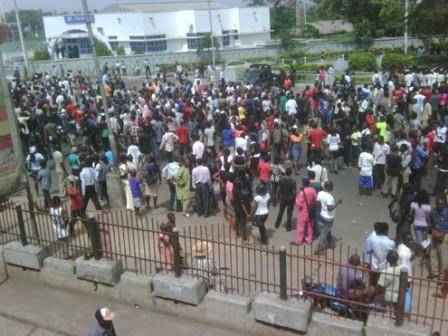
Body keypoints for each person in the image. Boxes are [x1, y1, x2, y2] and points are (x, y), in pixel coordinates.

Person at [314, 180, 342, 254]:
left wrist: (320, 211)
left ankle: (330, 243)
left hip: (322, 215)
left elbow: (317, 203)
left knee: (327, 229)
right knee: (324, 233)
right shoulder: (329, 197)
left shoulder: (320, 193)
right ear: (330, 187)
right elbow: (330, 208)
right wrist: (338, 202)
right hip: (328, 217)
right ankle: (318, 249)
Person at [292, 175, 317, 246]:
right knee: (309, 226)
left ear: (303, 182)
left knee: (300, 226)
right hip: (310, 211)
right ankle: (309, 240)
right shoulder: (312, 189)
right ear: (309, 182)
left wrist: (296, 198)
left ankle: (299, 241)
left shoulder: (302, 192)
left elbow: (299, 203)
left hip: (303, 211)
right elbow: (315, 199)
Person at [428, 198, 448, 280]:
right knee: (433, 254)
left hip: (444, 235)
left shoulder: (447, 212)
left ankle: (443, 275)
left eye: (441, 204)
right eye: (438, 204)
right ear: (436, 204)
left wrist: (444, 233)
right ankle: (434, 272)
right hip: (434, 234)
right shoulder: (433, 211)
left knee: (444, 256)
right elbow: (430, 221)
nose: (440, 206)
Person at [274, 167, 297, 232]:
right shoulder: (293, 181)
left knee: (281, 211)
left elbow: (278, 188)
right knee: (289, 213)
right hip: (290, 199)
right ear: (291, 173)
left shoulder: (281, 180)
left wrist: (277, 196)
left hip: (283, 198)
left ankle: (277, 224)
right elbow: (294, 191)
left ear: (285, 172)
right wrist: (295, 198)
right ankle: (288, 227)